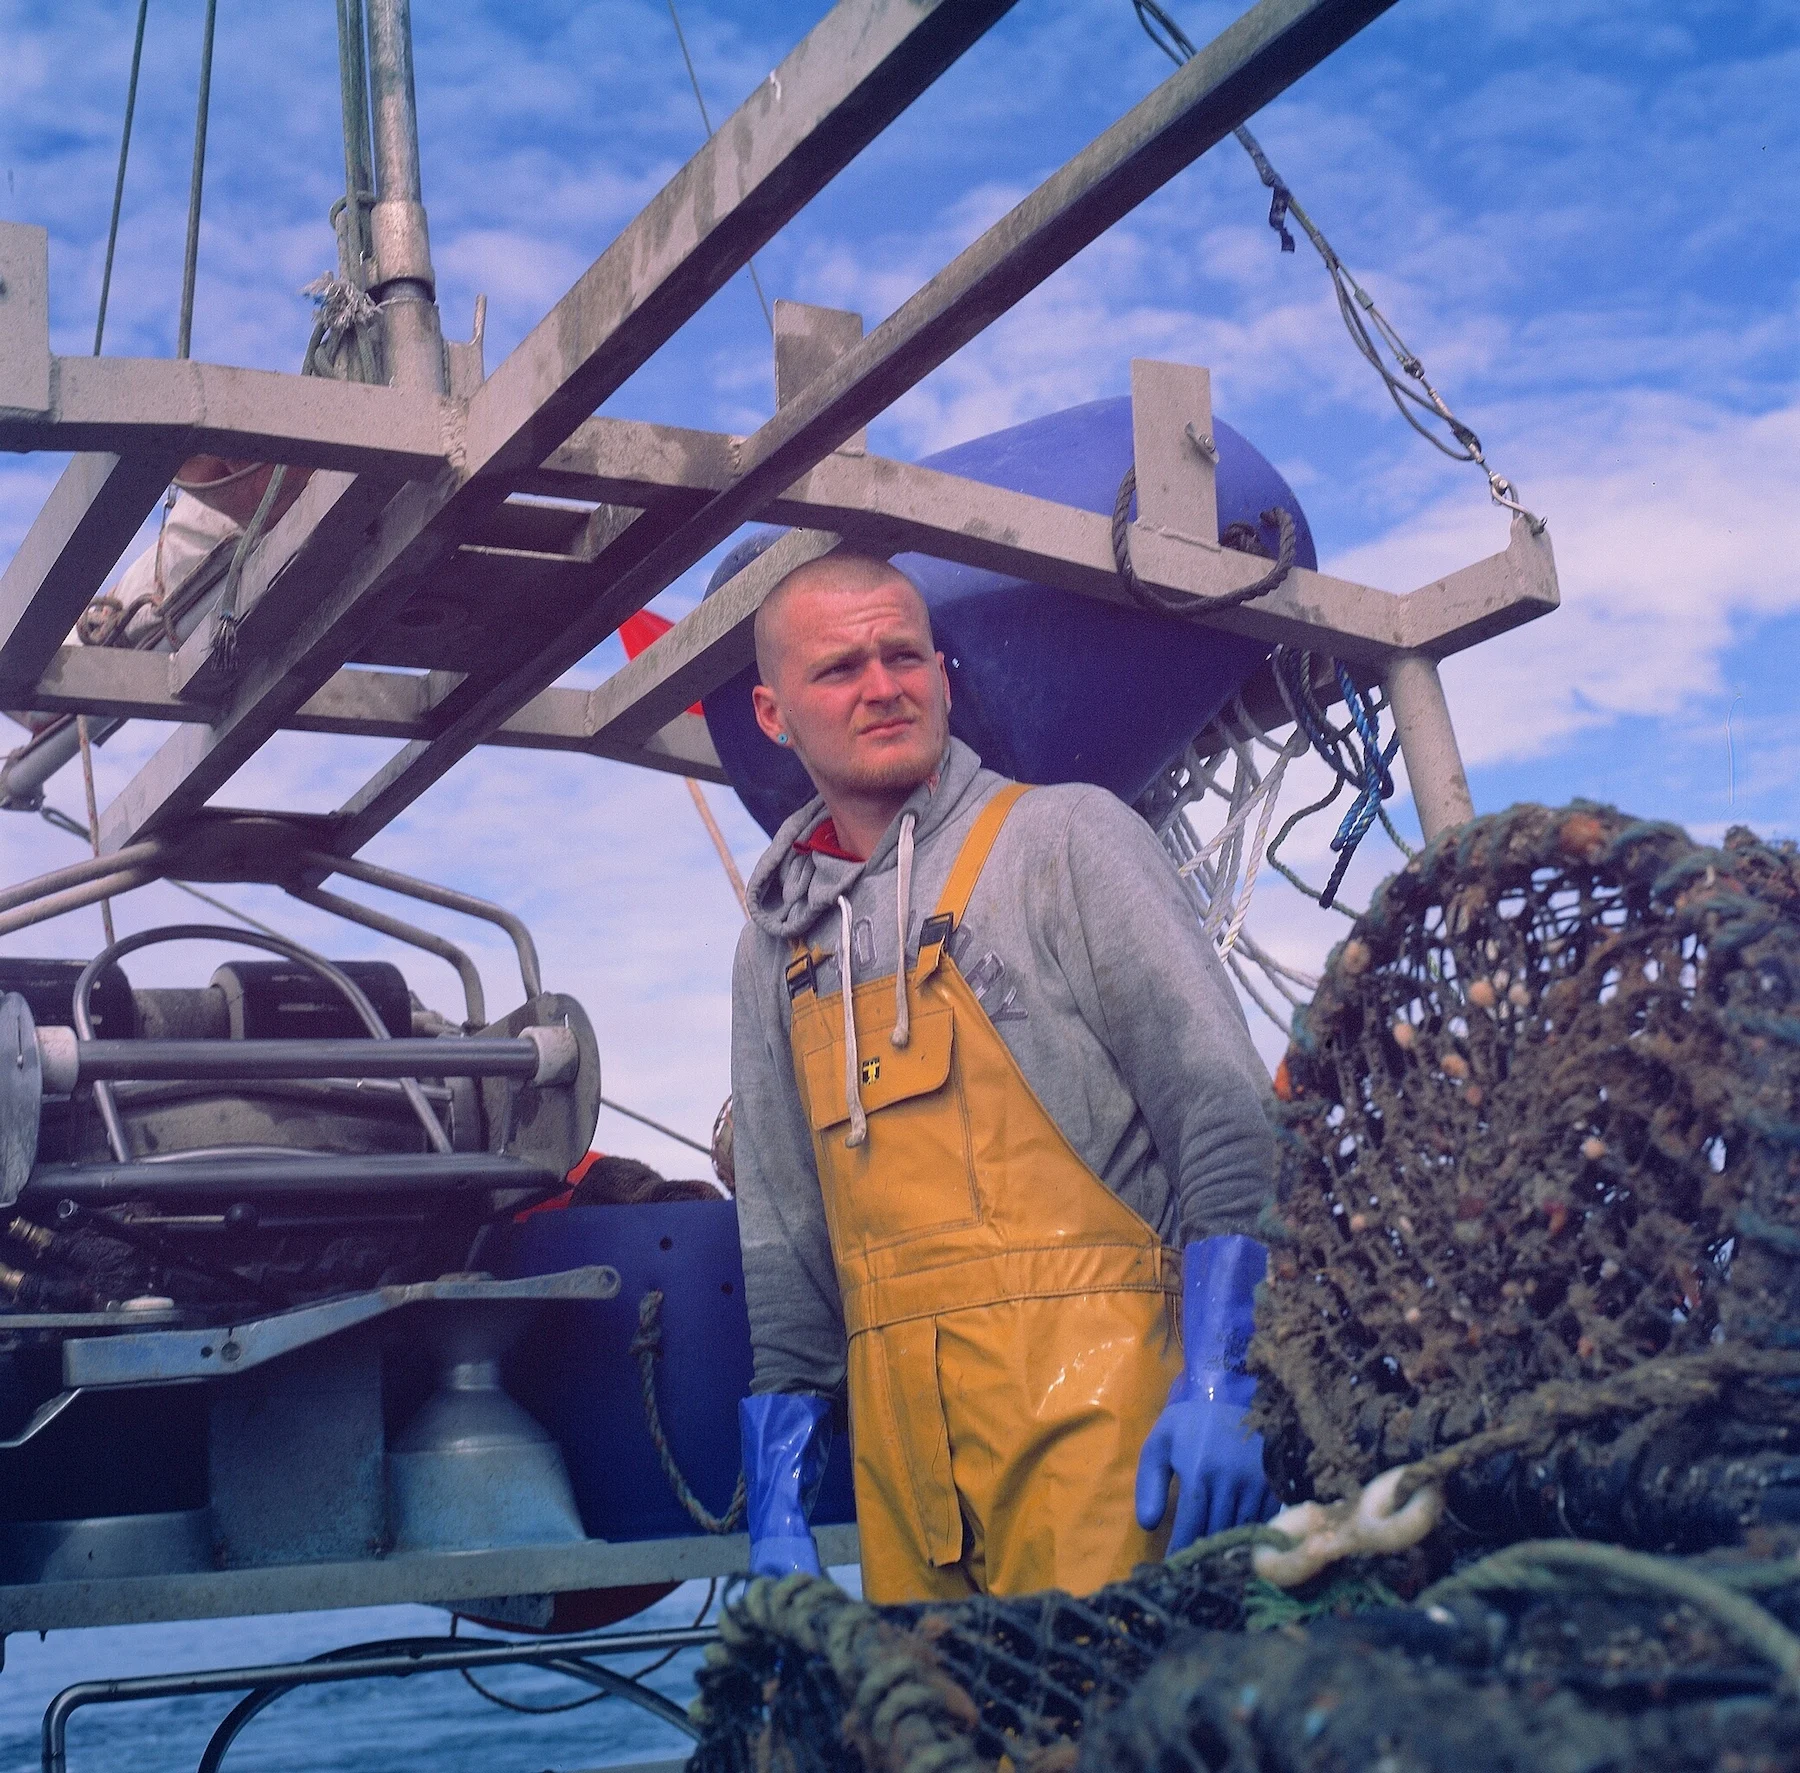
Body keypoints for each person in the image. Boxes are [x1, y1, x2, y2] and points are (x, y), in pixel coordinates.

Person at [730, 550, 1278, 1603]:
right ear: (772, 712)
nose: (882, 686)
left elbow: (1226, 1122)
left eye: (903, 656)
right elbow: (785, 1243)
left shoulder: (1066, 839)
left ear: (943, 674)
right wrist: (778, 1505)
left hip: (1118, 1436)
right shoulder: (774, 949)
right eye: (840, 668)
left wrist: (1223, 1378)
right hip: (906, 1476)